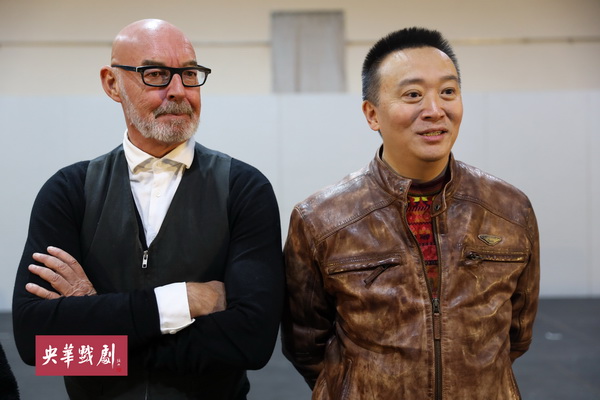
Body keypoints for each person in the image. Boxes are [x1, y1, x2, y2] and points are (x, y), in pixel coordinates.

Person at [12, 19, 283, 399]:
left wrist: (98, 318)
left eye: (189, 74)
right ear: (112, 84)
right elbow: (36, 344)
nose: (178, 91)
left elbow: (251, 343)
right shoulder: (69, 191)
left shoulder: (243, 189)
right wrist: (183, 300)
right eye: (155, 74)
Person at [282, 27, 539, 399]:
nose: (435, 110)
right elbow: (306, 344)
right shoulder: (321, 219)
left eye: (448, 92)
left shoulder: (509, 209)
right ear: (372, 114)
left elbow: (517, 335)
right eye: (413, 94)